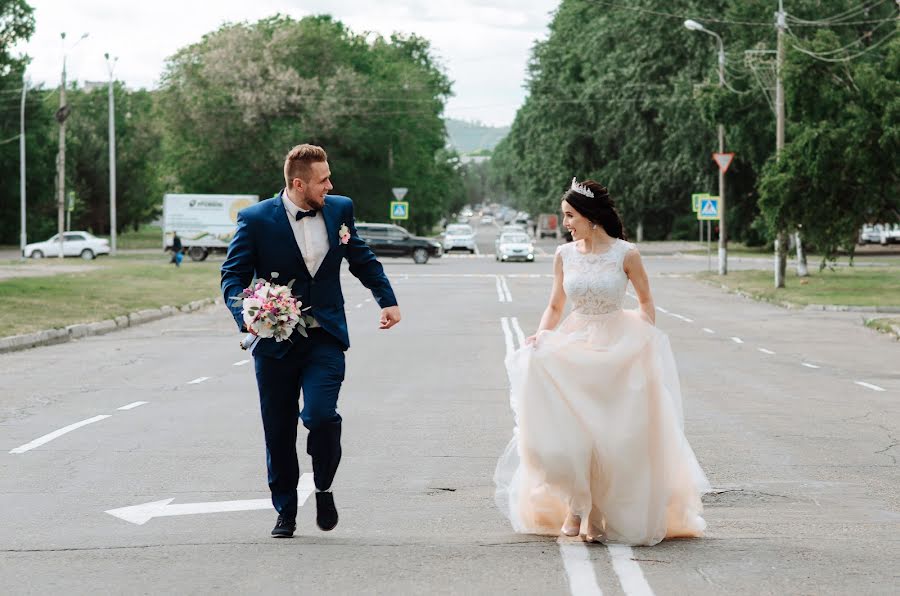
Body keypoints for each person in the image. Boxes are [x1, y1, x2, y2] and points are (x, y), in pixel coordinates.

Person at [494, 178, 709, 546]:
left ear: (591, 217)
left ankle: (594, 513)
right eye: (564, 216)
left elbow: (645, 304)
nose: (565, 223)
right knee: (571, 434)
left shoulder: (626, 254)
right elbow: (555, 306)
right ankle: (578, 505)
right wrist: (540, 334)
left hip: (618, 348)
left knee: (611, 436)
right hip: (576, 344)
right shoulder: (564, 255)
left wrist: (642, 343)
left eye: (570, 215)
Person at [221, 144, 401, 538]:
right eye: (323, 180)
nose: (331, 185)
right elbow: (232, 278)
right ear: (298, 183)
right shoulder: (254, 220)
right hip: (274, 341)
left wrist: (386, 299)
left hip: (326, 335)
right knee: (279, 430)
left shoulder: (340, 209)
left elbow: (360, 256)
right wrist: (247, 318)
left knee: (320, 415)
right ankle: (285, 510)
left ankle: (323, 485)